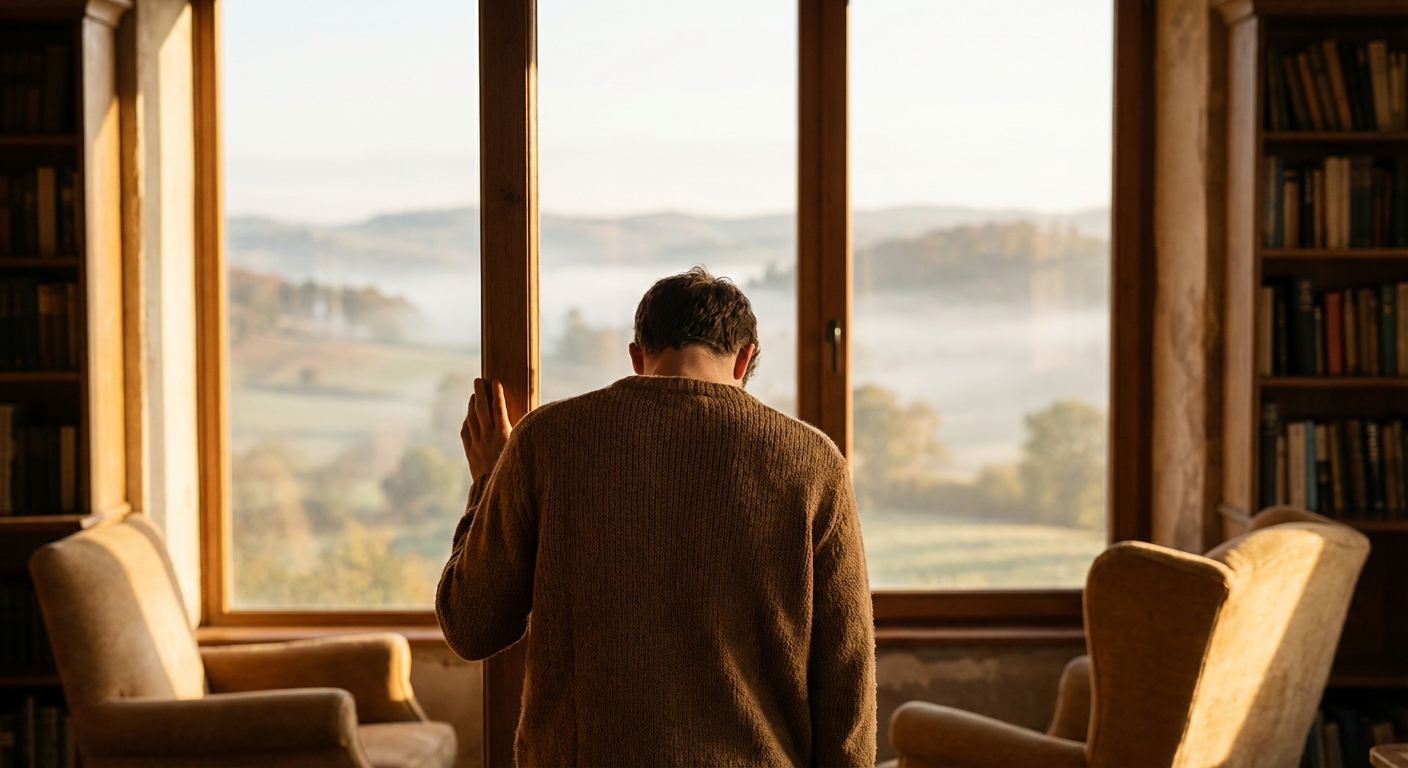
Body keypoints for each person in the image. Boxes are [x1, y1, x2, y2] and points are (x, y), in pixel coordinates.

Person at [437, 267, 875, 767]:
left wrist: (489, 484)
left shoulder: (549, 439)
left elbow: (472, 626)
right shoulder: (813, 462)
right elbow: (846, 678)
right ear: (745, 359)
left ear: (637, 356)